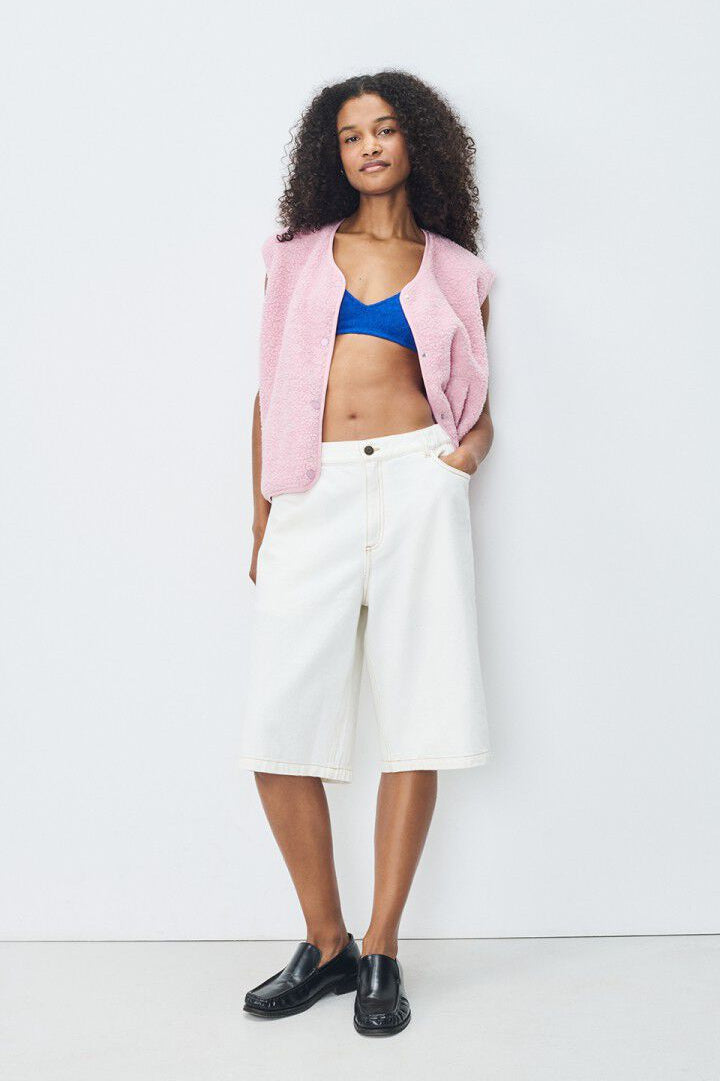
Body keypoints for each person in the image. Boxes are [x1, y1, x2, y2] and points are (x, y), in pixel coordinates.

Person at [239, 70, 496, 1037]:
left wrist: (463, 459)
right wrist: (261, 519)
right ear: (333, 154)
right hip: (313, 491)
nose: (370, 147)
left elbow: (478, 401)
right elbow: (268, 392)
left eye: (385, 130)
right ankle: (327, 940)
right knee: (277, 727)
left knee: (419, 715)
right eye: (352, 136)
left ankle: (382, 944)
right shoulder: (296, 257)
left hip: (418, 486)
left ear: (414, 141)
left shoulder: (456, 270)